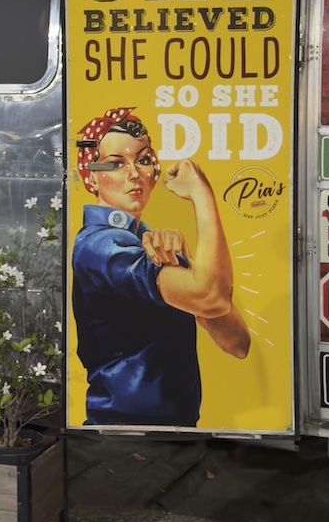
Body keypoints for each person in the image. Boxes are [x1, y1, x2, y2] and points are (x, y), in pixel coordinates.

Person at [71, 107, 250, 428]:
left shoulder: (146, 242)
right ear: (92, 177)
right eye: (115, 164)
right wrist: (202, 195)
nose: (133, 174)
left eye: (141, 160)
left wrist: (187, 262)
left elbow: (236, 343)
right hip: (125, 434)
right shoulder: (102, 246)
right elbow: (212, 297)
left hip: (173, 431)